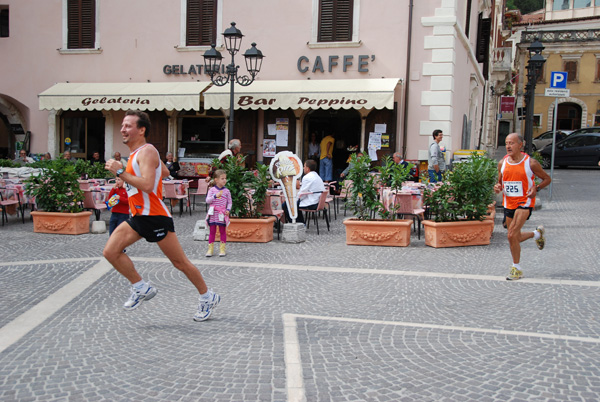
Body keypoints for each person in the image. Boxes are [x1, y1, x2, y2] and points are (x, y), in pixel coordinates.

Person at [103, 110, 220, 321]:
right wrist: (134, 174)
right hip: (139, 216)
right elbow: (164, 172)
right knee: (111, 251)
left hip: (155, 216)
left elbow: (148, 185)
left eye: (128, 126)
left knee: (180, 263)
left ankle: (207, 296)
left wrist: (121, 172)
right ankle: (141, 288)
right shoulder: (138, 155)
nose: (123, 129)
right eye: (122, 125)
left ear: (141, 130)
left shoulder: (147, 152)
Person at [494, 133, 551, 281]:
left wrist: (536, 188)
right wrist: (498, 186)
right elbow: (499, 182)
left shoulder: (530, 163)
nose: (508, 146)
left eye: (512, 143)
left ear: (521, 145)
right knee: (515, 237)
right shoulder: (502, 163)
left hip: (525, 202)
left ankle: (516, 268)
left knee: (511, 234)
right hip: (509, 203)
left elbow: (547, 178)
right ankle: (537, 234)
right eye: (506, 143)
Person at [282, 159, 324, 224]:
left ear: (308, 168)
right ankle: (301, 222)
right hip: (317, 202)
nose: (303, 168)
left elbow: (302, 193)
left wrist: (294, 200)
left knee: (286, 204)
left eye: (304, 166)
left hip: (312, 203)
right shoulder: (318, 176)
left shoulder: (307, 177)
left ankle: (295, 223)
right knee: (295, 203)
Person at [205, 169, 232, 258]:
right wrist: (214, 196)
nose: (224, 180)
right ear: (216, 180)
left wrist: (228, 209)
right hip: (213, 214)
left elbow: (229, 202)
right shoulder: (212, 190)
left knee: (222, 231)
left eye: (225, 178)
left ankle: (222, 249)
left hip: (222, 214)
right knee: (212, 231)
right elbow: (207, 200)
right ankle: (210, 249)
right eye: (222, 178)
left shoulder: (227, 191)